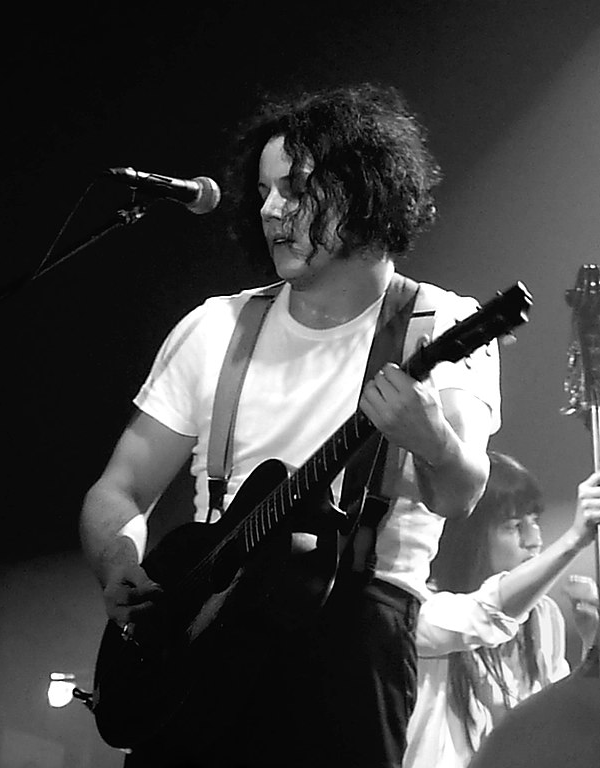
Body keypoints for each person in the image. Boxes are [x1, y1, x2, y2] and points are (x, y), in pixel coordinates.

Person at [79, 82, 501, 768]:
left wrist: (431, 439)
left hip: (353, 643)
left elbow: (459, 493)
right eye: (265, 191)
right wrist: (119, 564)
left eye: (297, 190)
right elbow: (118, 488)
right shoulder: (217, 325)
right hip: (201, 635)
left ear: (364, 194)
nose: (271, 209)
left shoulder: (440, 322)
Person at [402, 451, 600, 768]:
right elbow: (485, 614)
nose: (534, 539)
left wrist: (595, 642)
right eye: (513, 526)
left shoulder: (543, 617)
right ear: (468, 536)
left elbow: (557, 730)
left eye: (534, 521)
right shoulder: (419, 609)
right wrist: (574, 539)